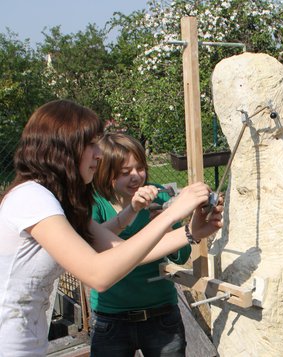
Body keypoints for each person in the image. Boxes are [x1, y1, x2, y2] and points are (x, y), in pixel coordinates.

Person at [0, 100, 222, 356]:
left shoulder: (56, 203)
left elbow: (127, 252)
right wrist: (173, 211)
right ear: (64, 148)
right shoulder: (32, 198)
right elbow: (99, 275)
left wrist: (191, 233)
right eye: (91, 145)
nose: (98, 154)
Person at [90, 132, 190, 356]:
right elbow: (96, 253)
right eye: (125, 172)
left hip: (160, 314)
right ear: (105, 174)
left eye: (140, 168)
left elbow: (182, 256)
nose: (136, 177)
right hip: (111, 318)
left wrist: (167, 225)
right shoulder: (96, 203)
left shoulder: (159, 196)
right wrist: (132, 211)